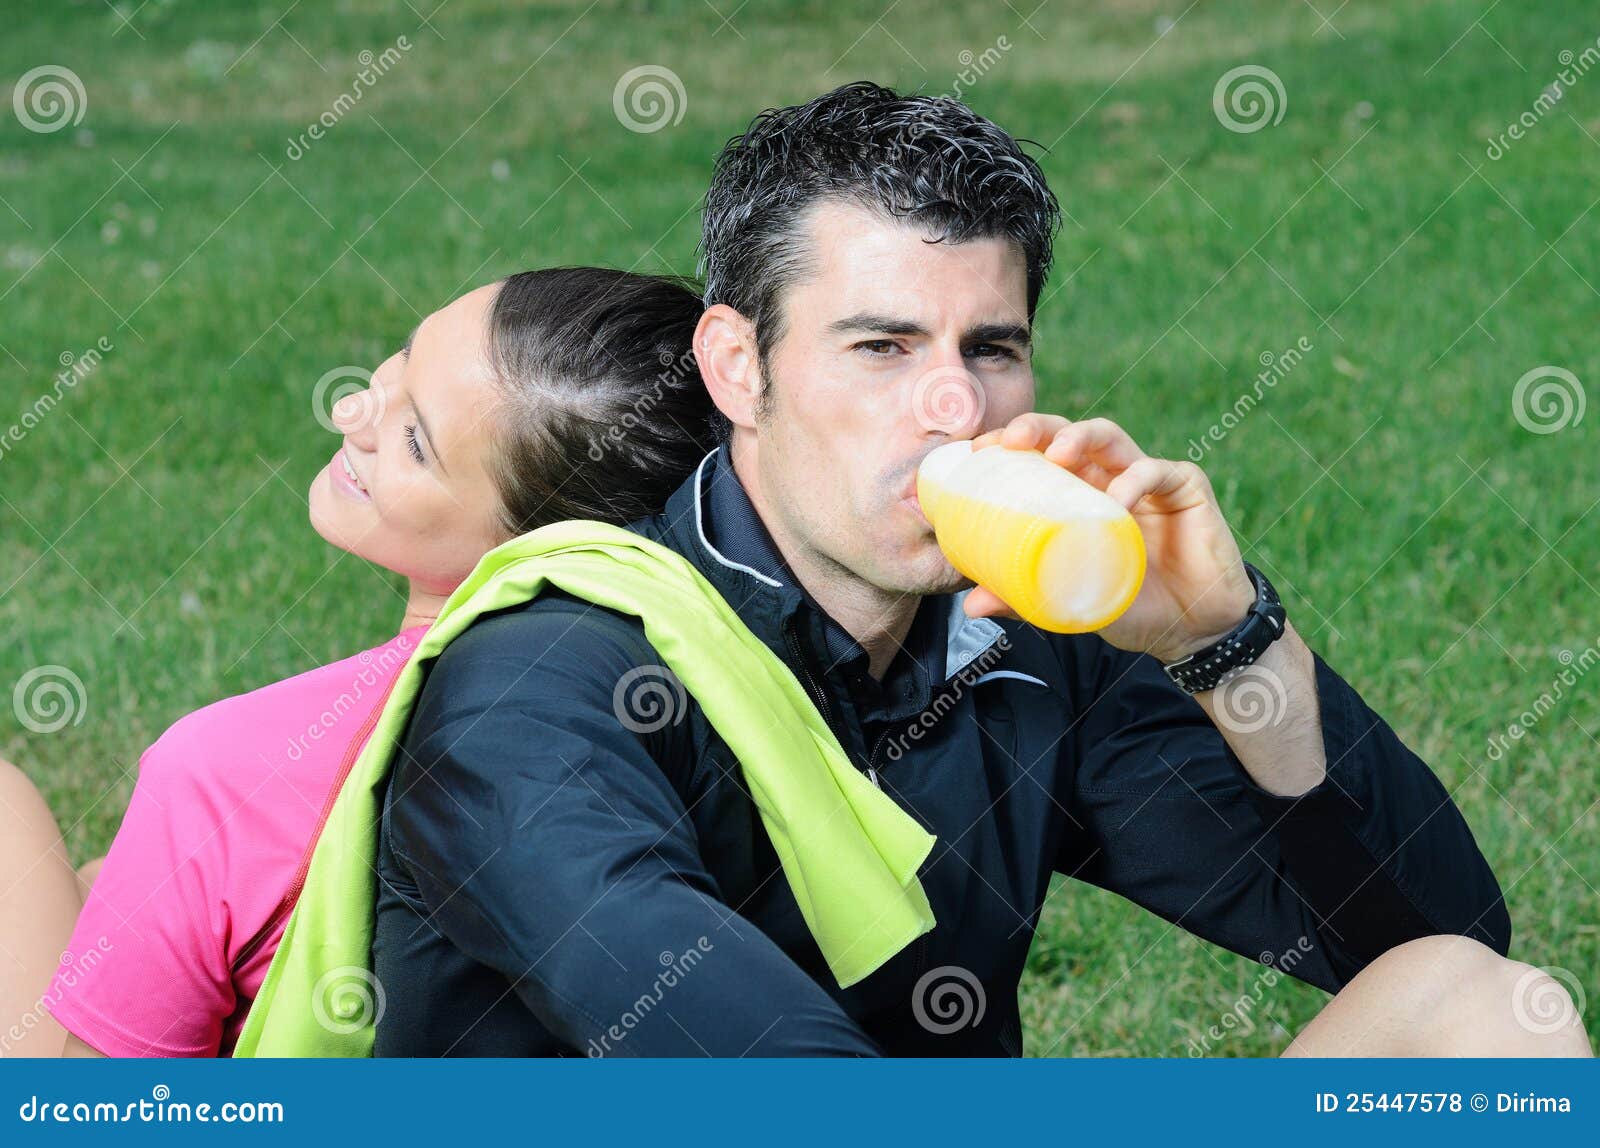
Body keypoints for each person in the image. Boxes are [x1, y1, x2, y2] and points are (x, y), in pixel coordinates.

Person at [372, 83, 1591, 1057]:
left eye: (990, 348)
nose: (954, 406)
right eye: (882, 347)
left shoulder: (1018, 641)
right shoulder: (540, 684)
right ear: (737, 366)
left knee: (1465, 1002)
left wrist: (1225, 641)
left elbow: (1427, 937)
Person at [0, 267, 719, 1057]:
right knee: (105, 880)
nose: (351, 409)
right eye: (404, 361)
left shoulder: (225, 770)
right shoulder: (712, 698)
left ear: (532, 542)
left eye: (416, 443)